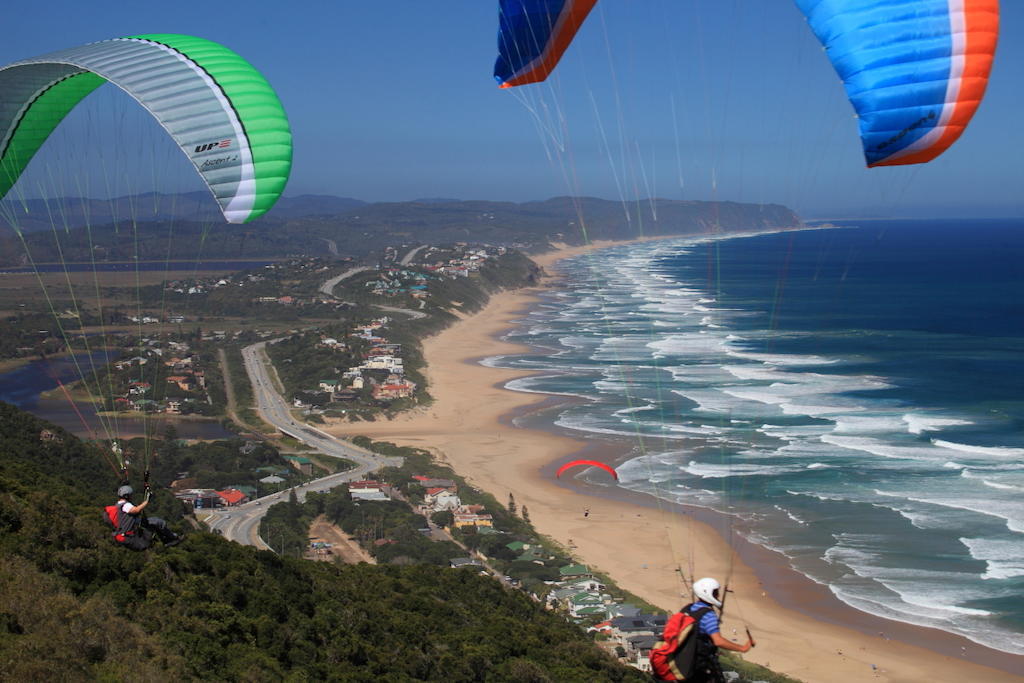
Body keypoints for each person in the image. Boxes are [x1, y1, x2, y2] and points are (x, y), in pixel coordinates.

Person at [685, 577, 755, 683]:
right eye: (716, 592)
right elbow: (718, 641)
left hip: (686, 661)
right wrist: (742, 648)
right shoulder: (708, 615)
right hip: (699, 664)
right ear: (708, 593)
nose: (718, 595)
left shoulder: (689, 608)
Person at [107, 484, 180, 550]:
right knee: (159, 522)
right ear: (127, 496)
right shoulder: (125, 505)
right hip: (132, 529)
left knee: (155, 523)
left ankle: (166, 540)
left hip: (131, 527)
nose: (131, 497)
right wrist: (147, 501)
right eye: (130, 495)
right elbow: (136, 510)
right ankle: (171, 538)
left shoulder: (118, 505)